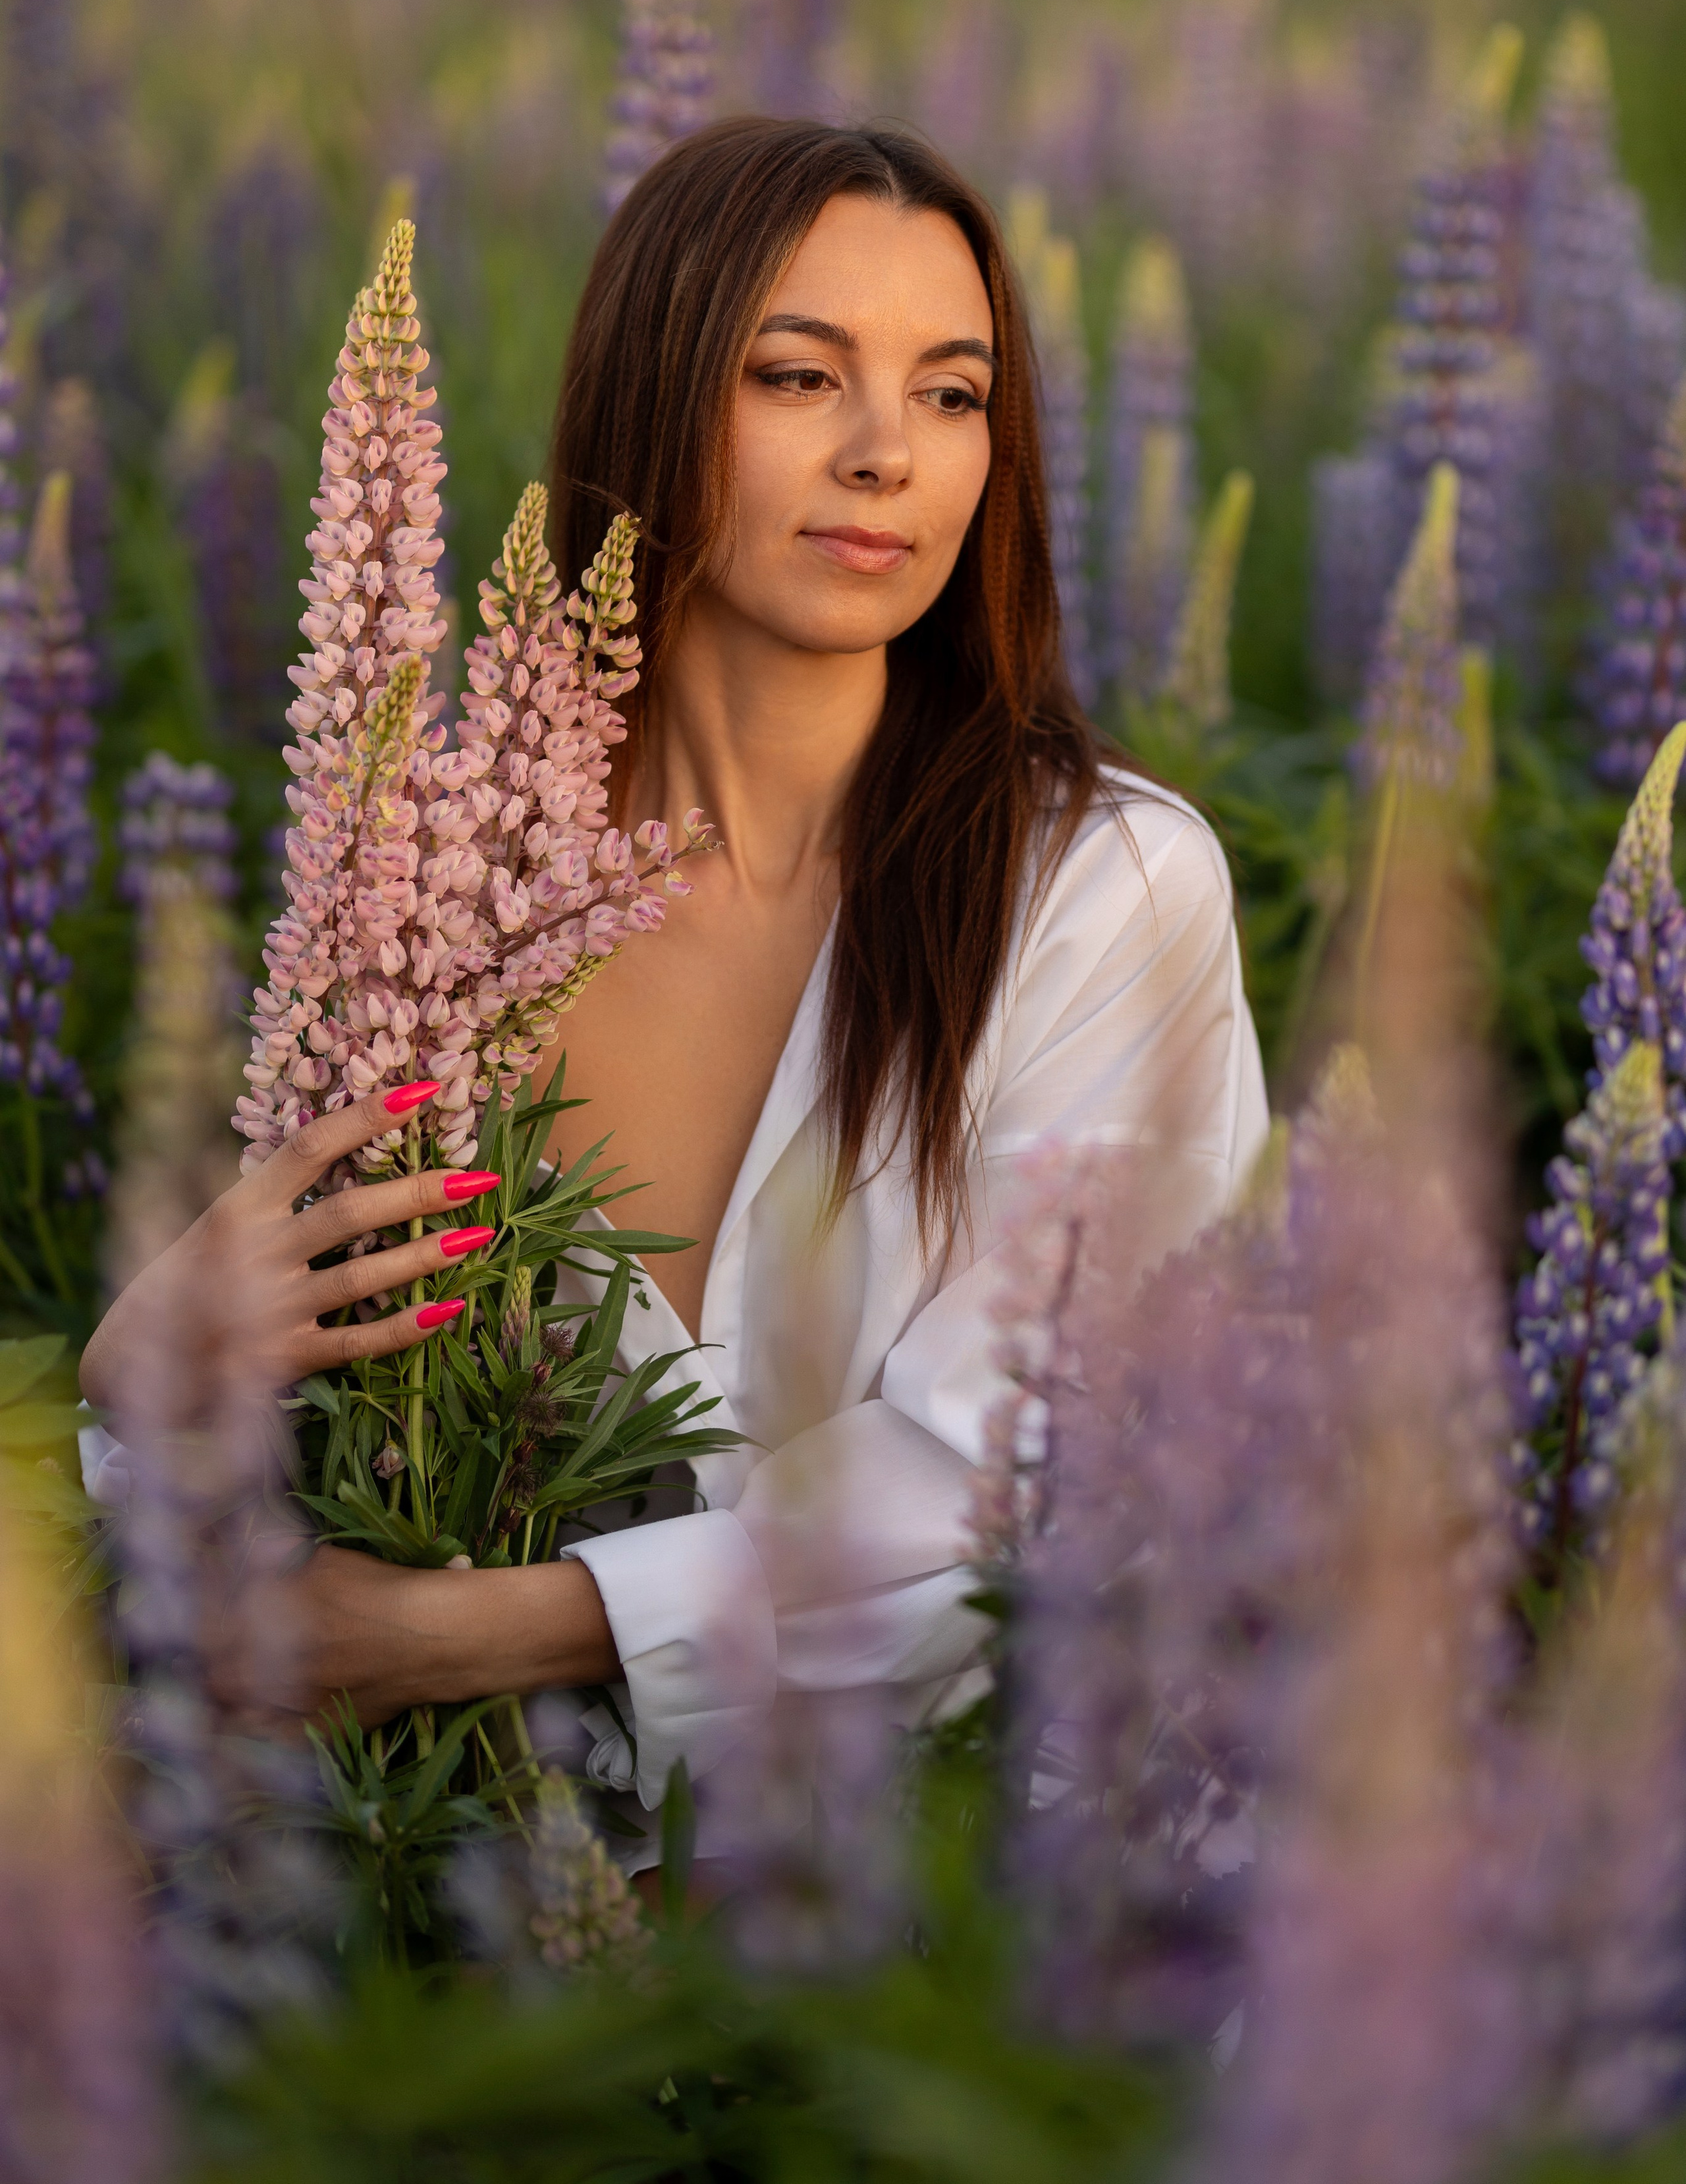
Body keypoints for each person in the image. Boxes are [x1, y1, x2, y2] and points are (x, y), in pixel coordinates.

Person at [82, 117, 1268, 1824]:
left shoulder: (1103, 888)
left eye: (952, 394)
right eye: (800, 377)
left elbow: (1038, 1490)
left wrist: (476, 1635)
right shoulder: (443, 882)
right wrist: (140, 1374)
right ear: (655, 396)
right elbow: (273, 1523)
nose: (887, 454)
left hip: (966, 1882)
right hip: (464, 1880)